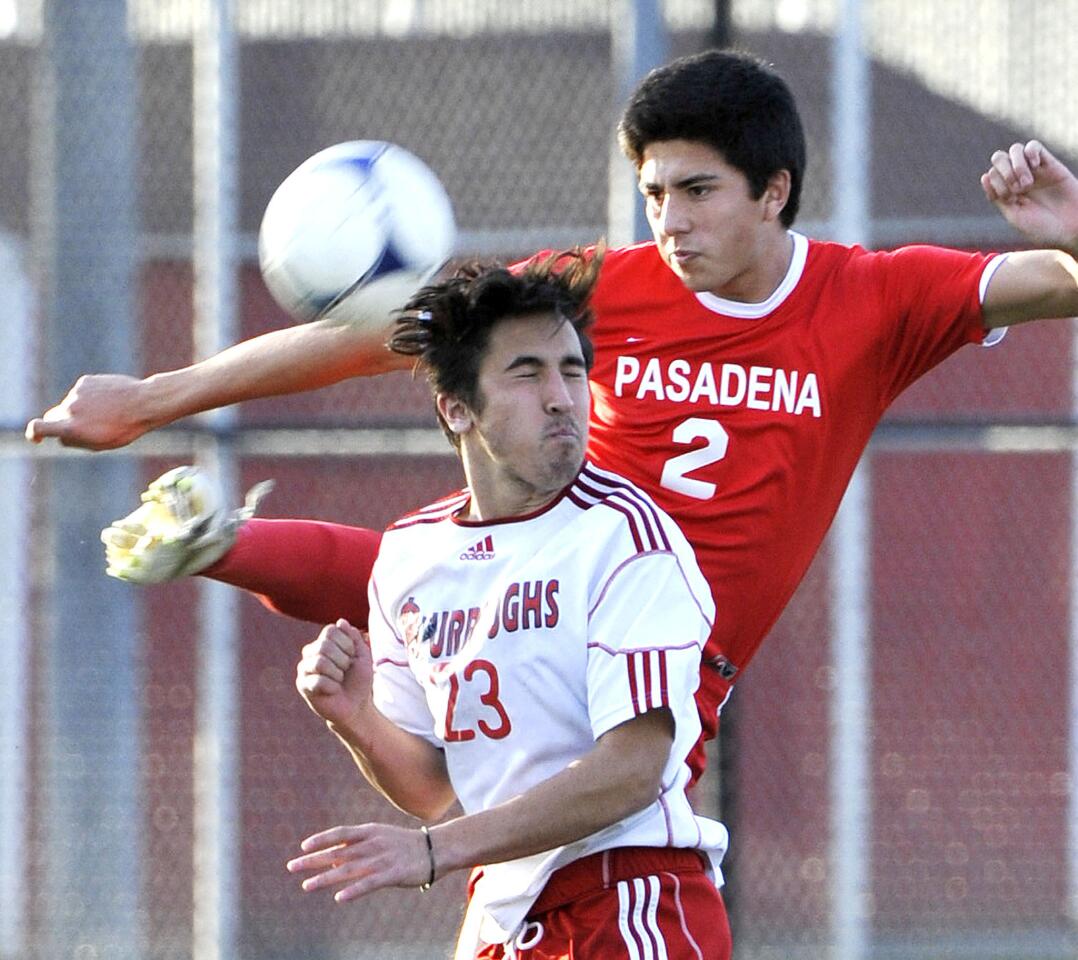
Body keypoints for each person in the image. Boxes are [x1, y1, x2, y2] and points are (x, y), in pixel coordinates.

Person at [34, 49, 1078, 782]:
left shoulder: (875, 298)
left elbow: (1053, 282)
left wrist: (1071, 227)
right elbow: (386, 332)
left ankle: (218, 541)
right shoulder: (601, 282)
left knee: (492, 813)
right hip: (563, 589)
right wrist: (151, 397)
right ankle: (216, 541)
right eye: (652, 190)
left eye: (697, 191)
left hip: (671, 663)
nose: (667, 219)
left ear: (775, 191)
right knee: (460, 608)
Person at [284, 250, 731, 959]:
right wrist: (356, 716)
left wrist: (436, 852)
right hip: (504, 918)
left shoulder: (623, 535)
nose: (562, 396)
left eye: (574, 370)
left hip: (627, 902)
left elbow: (633, 770)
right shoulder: (407, 556)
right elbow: (435, 789)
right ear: (456, 409)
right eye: (528, 374)